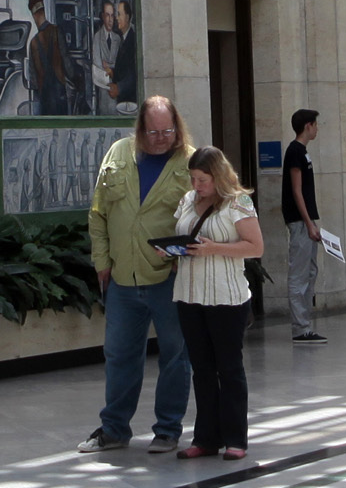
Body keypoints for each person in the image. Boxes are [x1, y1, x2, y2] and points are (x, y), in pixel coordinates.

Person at [78, 94, 197, 457]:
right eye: (154, 131)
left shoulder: (191, 160)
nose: (162, 138)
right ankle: (114, 429)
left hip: (168, 277)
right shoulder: (117, 154)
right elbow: (98, 213)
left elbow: (205, 219)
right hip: (122, 279)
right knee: (119, 354)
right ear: (140, 129)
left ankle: (167, 429)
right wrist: (102, 262)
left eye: (168, 130)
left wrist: (184, 258)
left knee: (175, 355)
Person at [169, 143, 264, 460]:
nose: (197, 186)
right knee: (202, 369)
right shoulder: (187, 201)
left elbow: (255, 247)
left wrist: (215, 249)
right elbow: (182, 233)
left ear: (218, 177)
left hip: (226, 298)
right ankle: (205, 438)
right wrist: (172, 249)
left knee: (229, 367)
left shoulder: (238, 203)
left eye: (203, 180)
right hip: (189, 294)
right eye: (194, 179)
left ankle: (236, 438)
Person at [279, 106, 327, 341]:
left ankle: (305, 324)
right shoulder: (295, 151)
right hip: (300, 221)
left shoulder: (302, 151)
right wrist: (308, 223)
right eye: (315, 124)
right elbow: (296, 191)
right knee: (299, 275)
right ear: (307, 126)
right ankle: (300, 327)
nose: (317, 128)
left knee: (310, 271)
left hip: (307, 220)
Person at [25, 0, 70, 117]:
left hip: (45, 101)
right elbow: (67, 64)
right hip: (60, 96)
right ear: (43, 11)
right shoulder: (57, 32)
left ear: (34, 15)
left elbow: (33, 82)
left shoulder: (33, 43)